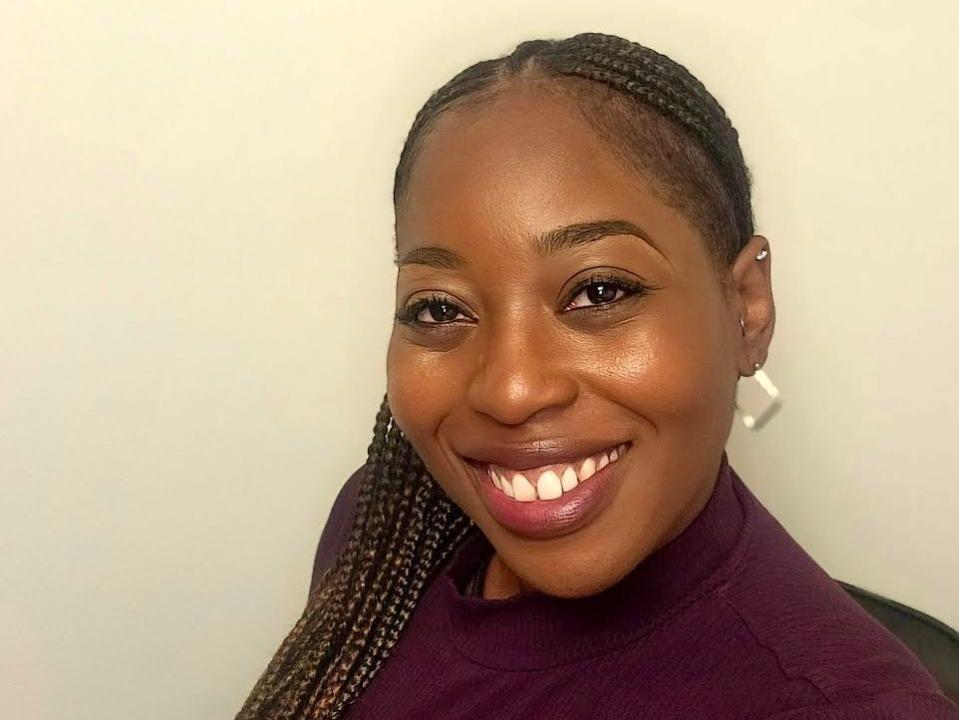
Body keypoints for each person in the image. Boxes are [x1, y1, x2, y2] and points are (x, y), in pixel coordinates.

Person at [236, 32, 959, 719]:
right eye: (437, 308)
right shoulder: (382, 525)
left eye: (600, 291)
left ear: (745, 308)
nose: (510, 390)